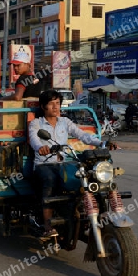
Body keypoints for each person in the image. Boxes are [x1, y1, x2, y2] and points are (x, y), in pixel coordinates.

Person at [29, 90, 107, 238]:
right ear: (43, 106)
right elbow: (34, 139)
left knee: (87, 176)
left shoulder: (65, 122)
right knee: (50, 180)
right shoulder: (36, 123)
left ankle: (87, 213)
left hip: (63, 163)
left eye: (57, 103)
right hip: (43, 165)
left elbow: (82, 135)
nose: (55, 107)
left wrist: (101, 142)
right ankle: (47, 225)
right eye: (51, 104)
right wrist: (41, 147)